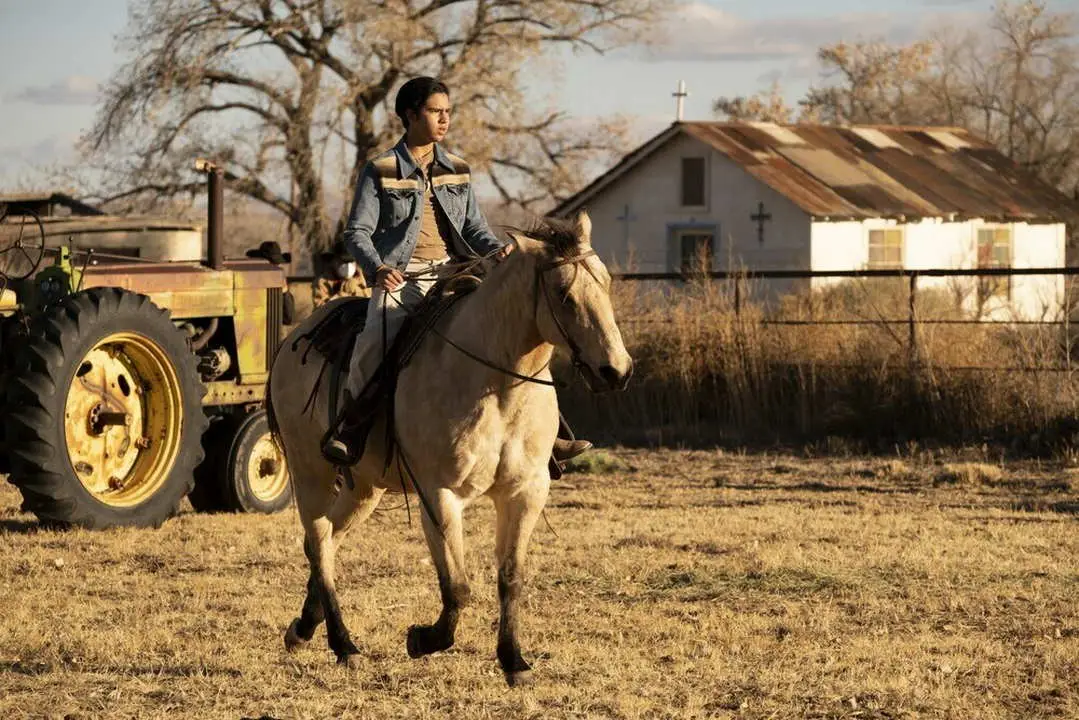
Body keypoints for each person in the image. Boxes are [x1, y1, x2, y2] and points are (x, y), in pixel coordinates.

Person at [322, 76, 591, 467]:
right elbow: (356, 232)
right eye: (435, 111)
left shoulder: (458, 168)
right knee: (373, 345)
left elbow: (473, 228)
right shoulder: (379, 169)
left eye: (448, 112)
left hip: (456, 272)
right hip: (403, 277)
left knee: (519, 330)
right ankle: (353, 430)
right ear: (411, 115)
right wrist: (378, 268)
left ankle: (551, 434)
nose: (444, 119)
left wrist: (496, 251)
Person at [312, 239, 370, 308]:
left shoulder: (364, 278)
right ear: (334, 261)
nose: (348, 266)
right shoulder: (323, 282)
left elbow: (370, 301)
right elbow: (319, 308)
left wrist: (356, 291)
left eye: (351, 262)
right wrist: (341, 297)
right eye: (343, 262)